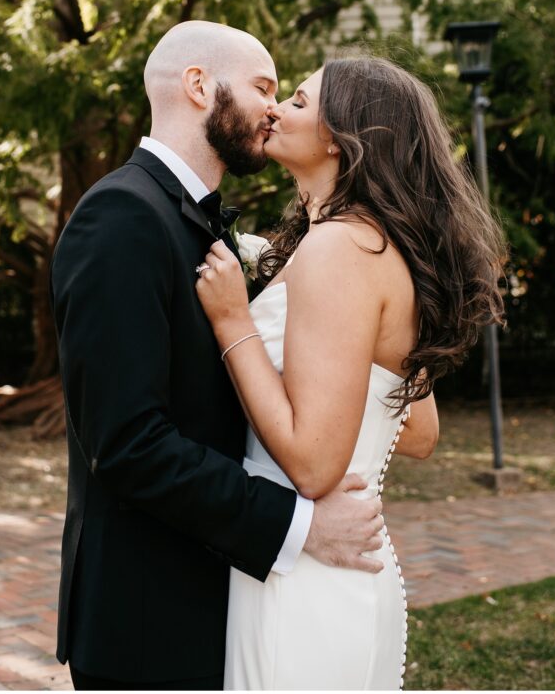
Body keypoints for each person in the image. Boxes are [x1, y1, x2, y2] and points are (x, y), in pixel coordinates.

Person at [51, 23, 397, 691]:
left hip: (221, 602)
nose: (273, 108)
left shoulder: (199, 222)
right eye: (264, 88)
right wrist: (300, 527)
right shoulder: (120, 218)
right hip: (149, 620)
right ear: (198, 86)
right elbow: (127, 444)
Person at [196, 54, 506, 690]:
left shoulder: (340, 247)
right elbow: (417, 432)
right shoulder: (373, 243)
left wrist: (234, 323)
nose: (276, 108)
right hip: (343, 569)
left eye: (301, 102)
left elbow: (312, 466)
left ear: (340, 138)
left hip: (303, 576)